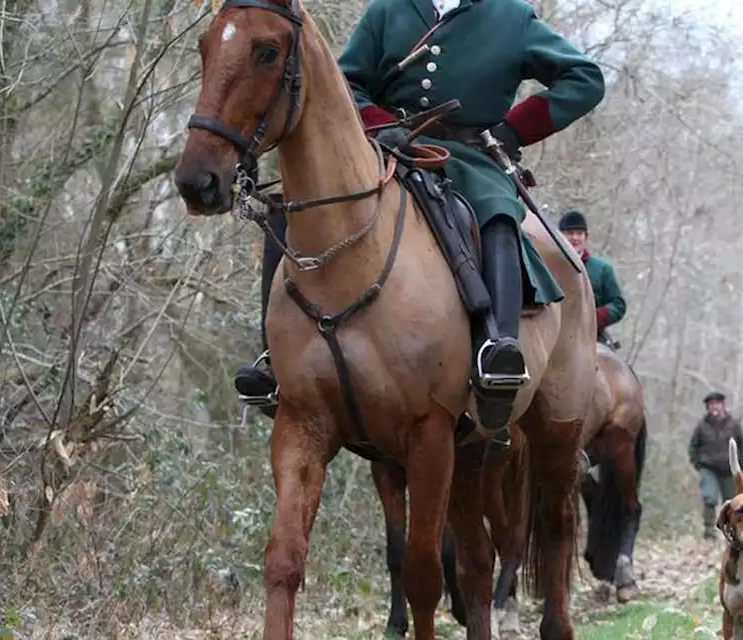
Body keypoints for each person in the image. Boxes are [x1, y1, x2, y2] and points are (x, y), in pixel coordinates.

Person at [232, 0, 606, 436]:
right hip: (381, 151)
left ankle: (498, 350)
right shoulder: (388, 10)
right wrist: (377, 121)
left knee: (499, 212)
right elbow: (343, 80)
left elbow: (586, 79)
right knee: (290, 207)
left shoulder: (511, 17)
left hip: (464, 157)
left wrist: (513, 130)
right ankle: (272, 358)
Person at [557, 210, 626, 347]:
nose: (575, 238)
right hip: (555, 337)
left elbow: (618, 305)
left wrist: (593, 317)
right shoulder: (548, 266)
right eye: (570, 233)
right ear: (559, 236)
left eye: (579, 233)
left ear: (586, 237)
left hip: (592, 339)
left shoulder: (603, 269)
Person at [688, 391, 743, 539]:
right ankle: (709, 532)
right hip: (708, 468)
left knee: (733, 503)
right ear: (707, 407)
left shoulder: (733, 424)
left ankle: (733, 531)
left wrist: (741, 465)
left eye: (717, 404)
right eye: (711, 404)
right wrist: (698, 464)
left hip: (729, 470)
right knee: (709, 498)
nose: (714, 407)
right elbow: (693, 447)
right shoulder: (701, 426)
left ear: (723, 405)